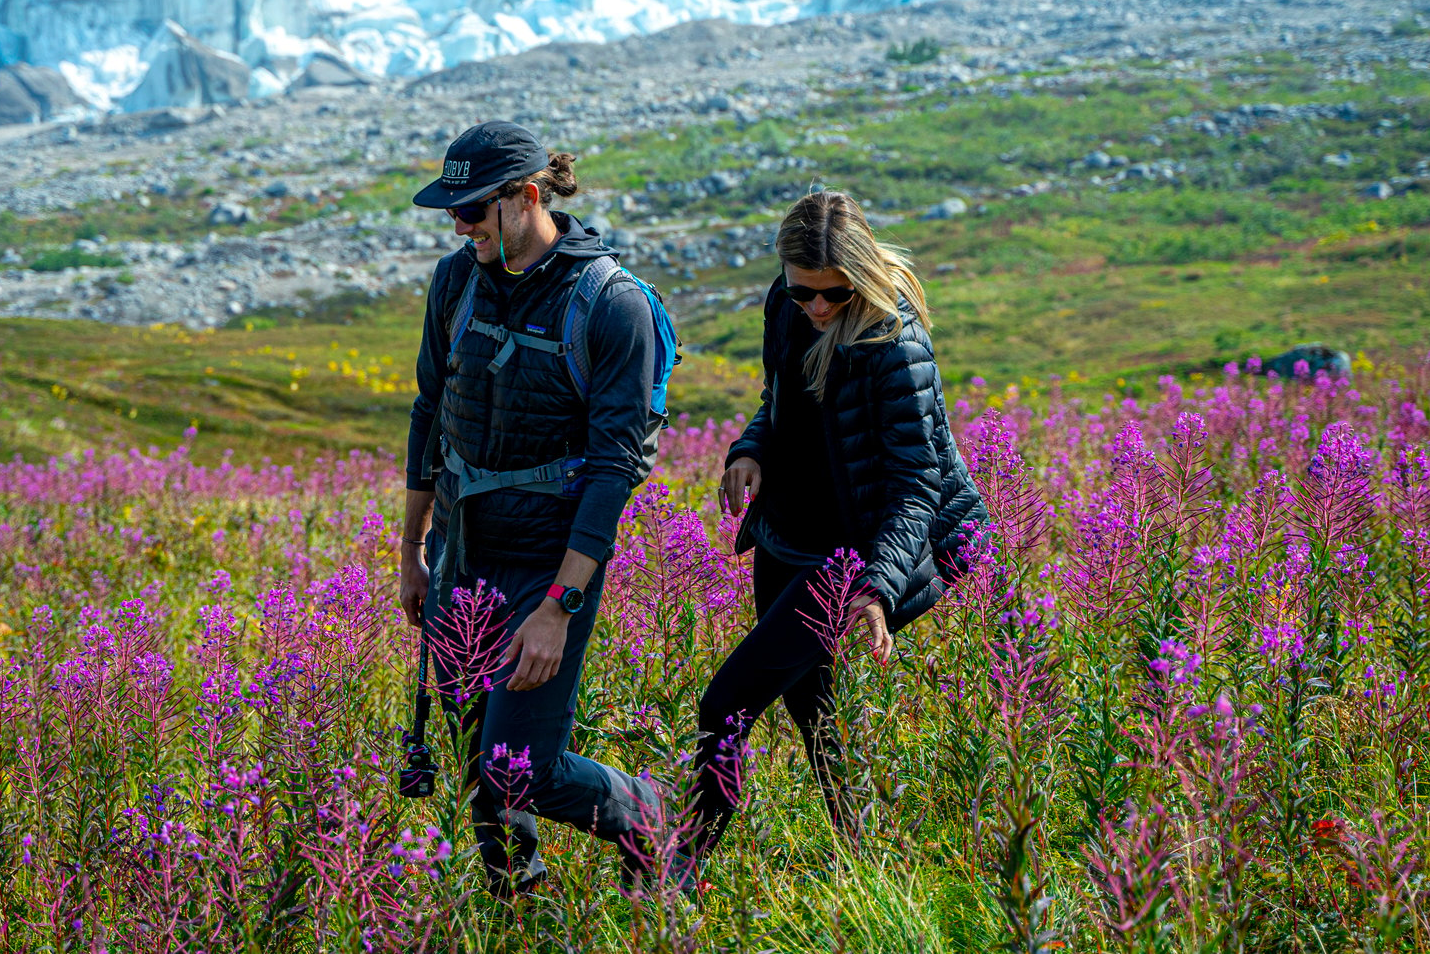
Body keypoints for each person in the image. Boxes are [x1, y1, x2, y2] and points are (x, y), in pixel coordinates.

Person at [397, 120, 667, 897]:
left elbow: (614, 469)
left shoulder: (611, 305)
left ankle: (652, 815)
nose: (460, 225)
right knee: (473, 759)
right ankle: (523, 912)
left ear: (526, 196)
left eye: (473, 209)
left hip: (548, 567)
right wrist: (412, 551)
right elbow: (429, 413)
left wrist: (559, 605)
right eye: (451, 213)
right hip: (459, 554)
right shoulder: (455, 281)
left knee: (522, 767)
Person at [690, 188, 988, 867]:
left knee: (725, 702)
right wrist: (750, 448)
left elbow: (917, 484)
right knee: (812, 710)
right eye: (804, 294)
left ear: (859, 275)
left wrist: (880, 586)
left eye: (835, 292)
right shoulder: (786, 306)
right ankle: (867, 865)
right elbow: (781, 403)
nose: (817, 307)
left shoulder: (893, 340)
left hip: (862, 548)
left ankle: (678, 869)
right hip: (789, 534)